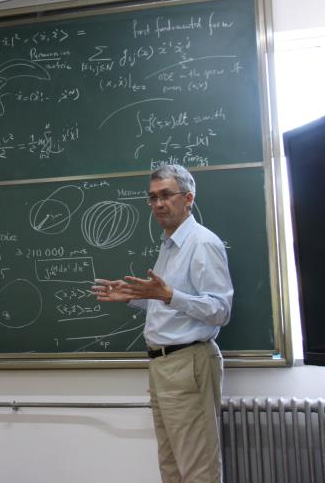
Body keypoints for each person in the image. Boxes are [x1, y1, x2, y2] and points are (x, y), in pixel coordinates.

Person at [91, 164, 233, 483]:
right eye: (152, 197)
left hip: (188, 362)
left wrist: (168, 294)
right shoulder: (169, 245)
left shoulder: (202, 244)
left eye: (166, 195)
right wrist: (132, 295)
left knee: (197, 469)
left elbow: (220, 310)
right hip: (163, 366)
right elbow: (168, 303)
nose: (158, 204)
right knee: (171, 467)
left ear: (188, 198)